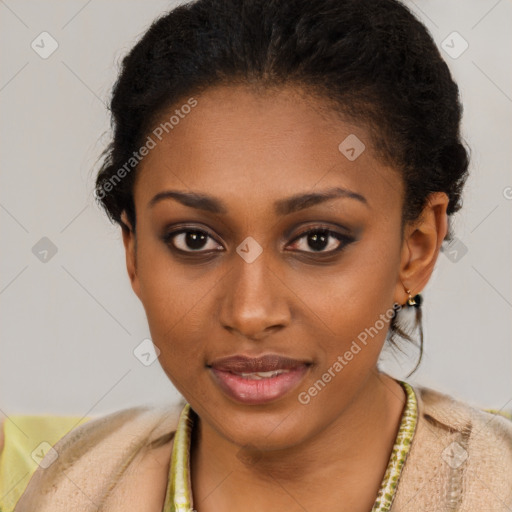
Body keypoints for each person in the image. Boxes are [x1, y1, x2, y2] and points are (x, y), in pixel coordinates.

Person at [3, 0, 512, 510]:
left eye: (318, 240)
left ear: (415, 249)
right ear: (133, 252)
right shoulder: (57, 487)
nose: (250, 313)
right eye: (194, 239)